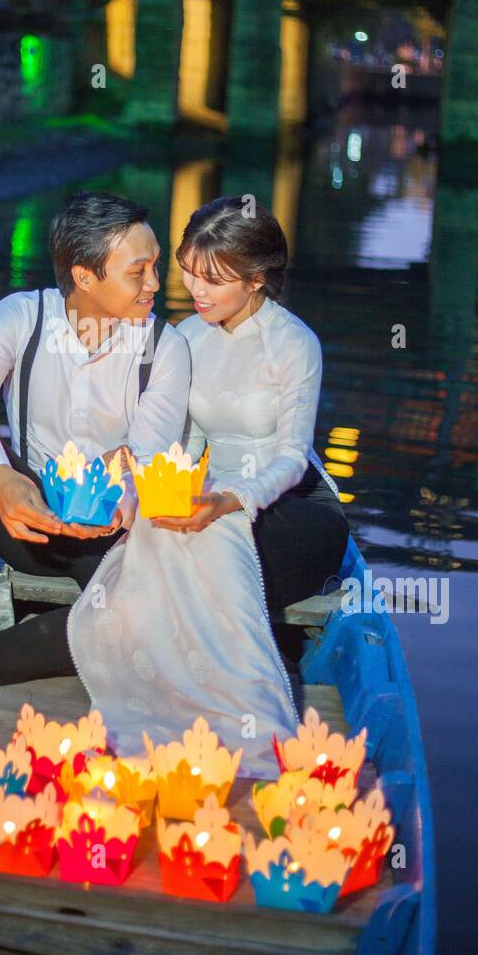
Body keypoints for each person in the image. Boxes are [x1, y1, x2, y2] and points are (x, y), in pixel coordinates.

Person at [67, 197, 350, 776]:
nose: (196, 289)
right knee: (154, 536)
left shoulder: (295, 345)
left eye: (214, 279)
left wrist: (232, 501)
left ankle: (241, 712)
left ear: (257, 279)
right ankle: (165, 696)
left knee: (215, 539)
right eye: (189, 272)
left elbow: (294, 456)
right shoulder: (186, 336)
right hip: (207, 486)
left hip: (291, 503)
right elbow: (177, 443)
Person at [0, 191, 191, 731]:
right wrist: (1, 477)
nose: (154, 284)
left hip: (106, 532)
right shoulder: (21, 316)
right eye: (139, 271)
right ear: (84, 276)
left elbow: (147, 457)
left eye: (156, 268)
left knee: (145, 620)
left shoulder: (165, 349)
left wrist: (114, 506)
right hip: (23, 521)